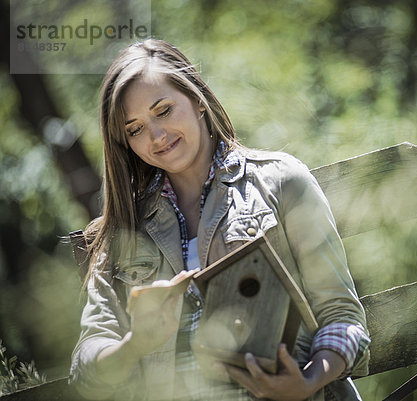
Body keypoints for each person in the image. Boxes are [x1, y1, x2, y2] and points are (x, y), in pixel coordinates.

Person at [69, 39, 370, 401]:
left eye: (163, 110)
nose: (157, 136)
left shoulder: (281, 182)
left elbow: (342, 316)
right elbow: (85, 367)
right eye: (135, 129)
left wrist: (305, 382)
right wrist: (134, 345)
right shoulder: (123, 229)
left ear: (197, 99)